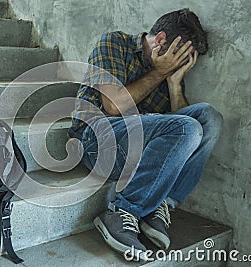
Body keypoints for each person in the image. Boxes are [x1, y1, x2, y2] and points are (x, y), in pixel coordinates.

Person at [67, 8, 223, 259]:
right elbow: (113, 105)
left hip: (140, 150)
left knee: (208, 118)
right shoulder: (114, 42)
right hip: (96, 141)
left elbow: (188, 135)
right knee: (186, 126)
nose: (180, 65)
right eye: (179, 57)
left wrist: (173, 83)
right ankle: (122, 211)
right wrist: (159, 73)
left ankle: (159, 204)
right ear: (160, 40)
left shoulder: (168, 71)